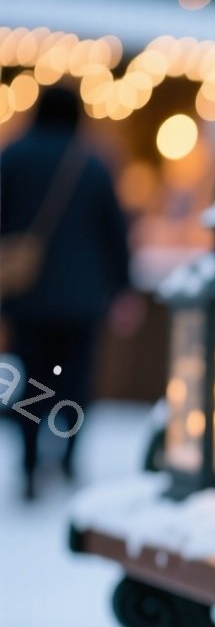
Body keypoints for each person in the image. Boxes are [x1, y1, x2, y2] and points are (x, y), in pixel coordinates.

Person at [0, 87, 131, 500]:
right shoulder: (92, 163)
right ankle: (70, 454)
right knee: (75, 380)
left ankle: (30, 461)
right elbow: (115, 231)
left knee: (32, 378)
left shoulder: (13, 156)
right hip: (83, 297)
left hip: (28, 296)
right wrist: (123, 287)